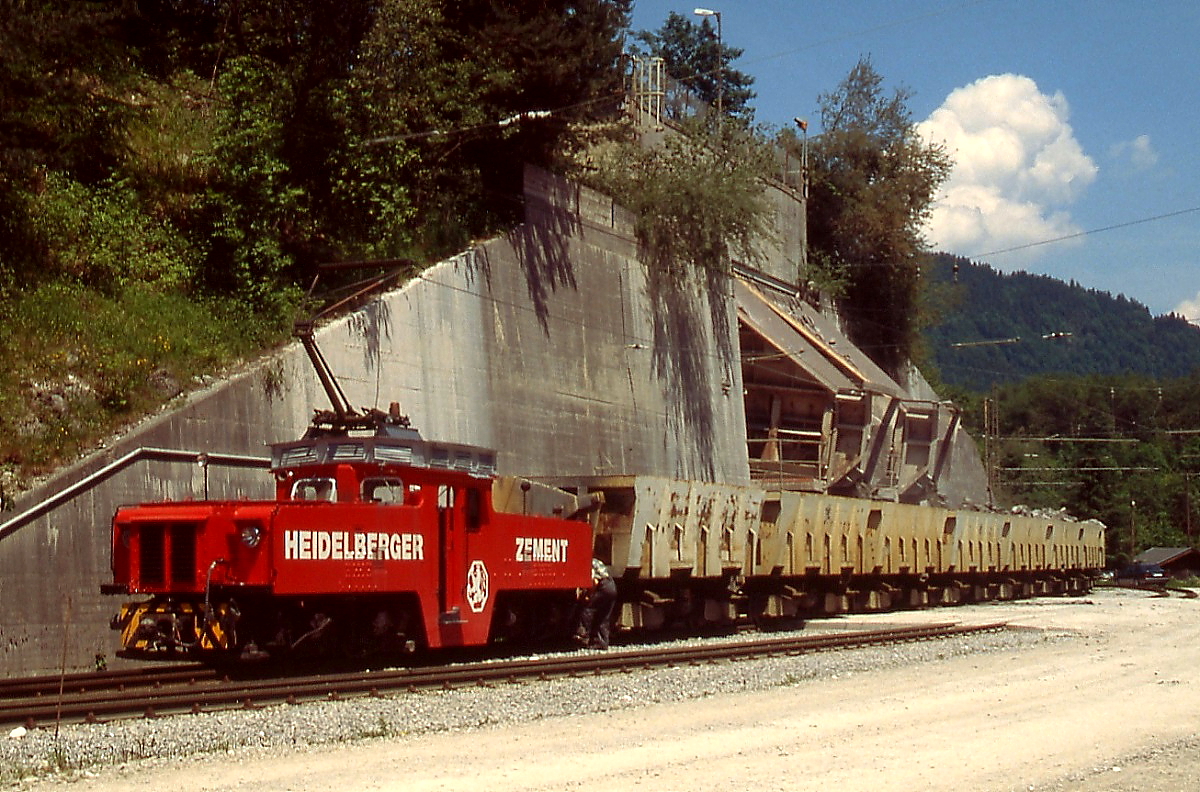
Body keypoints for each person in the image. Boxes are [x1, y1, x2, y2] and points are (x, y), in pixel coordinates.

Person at [576, 557, 617, 649]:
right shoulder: (597, 561)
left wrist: (589, 595)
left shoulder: (588, 564)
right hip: (612, 586)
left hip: (603, 587)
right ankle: (602, 643)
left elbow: (594, 581)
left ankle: (583, 634)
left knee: (588, 609)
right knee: (604, 616)